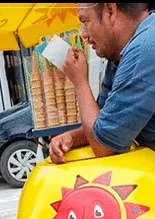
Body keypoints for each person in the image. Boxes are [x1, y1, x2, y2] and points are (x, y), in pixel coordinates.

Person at [49, 3, 155, 164]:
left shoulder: (145, 49)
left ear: (110, 10)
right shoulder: (120, 55)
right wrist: (71, 138)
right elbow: (102, 123)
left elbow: (105, 146)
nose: (84, 34)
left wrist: (79, 82)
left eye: (85, 21)